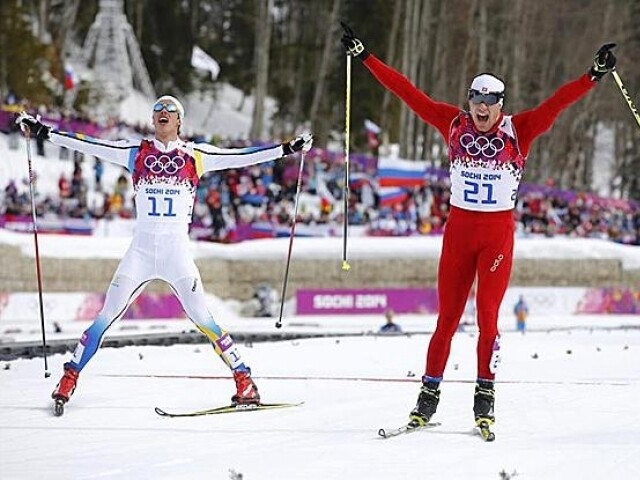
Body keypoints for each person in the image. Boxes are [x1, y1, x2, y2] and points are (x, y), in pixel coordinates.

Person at [340, 23, 616, 431]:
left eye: (489, 101)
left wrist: (592, 74)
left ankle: (484, 399)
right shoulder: (452, 123)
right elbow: (407, 92)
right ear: (469, 101)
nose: (481, 108)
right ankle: (427, 398)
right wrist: (365, 56)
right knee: (446, 320)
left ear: (501, 104)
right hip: (458, 234)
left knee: (488, 318)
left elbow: (558, 103)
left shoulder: (519, 129)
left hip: (496, 237)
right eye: (475, 99)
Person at [17, 95, 313, 414]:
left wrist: (286, 149)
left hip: (176, 255)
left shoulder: (196, 155)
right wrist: (44, 132)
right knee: (106, 315)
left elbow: (242, 156)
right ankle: (69, 377)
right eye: (157, 109)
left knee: (204, 318)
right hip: (140, 253)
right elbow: (90, 144)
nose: (162, 113)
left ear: (179, 121)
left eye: (169, 110)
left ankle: (244, 380)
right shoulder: (135, 151)